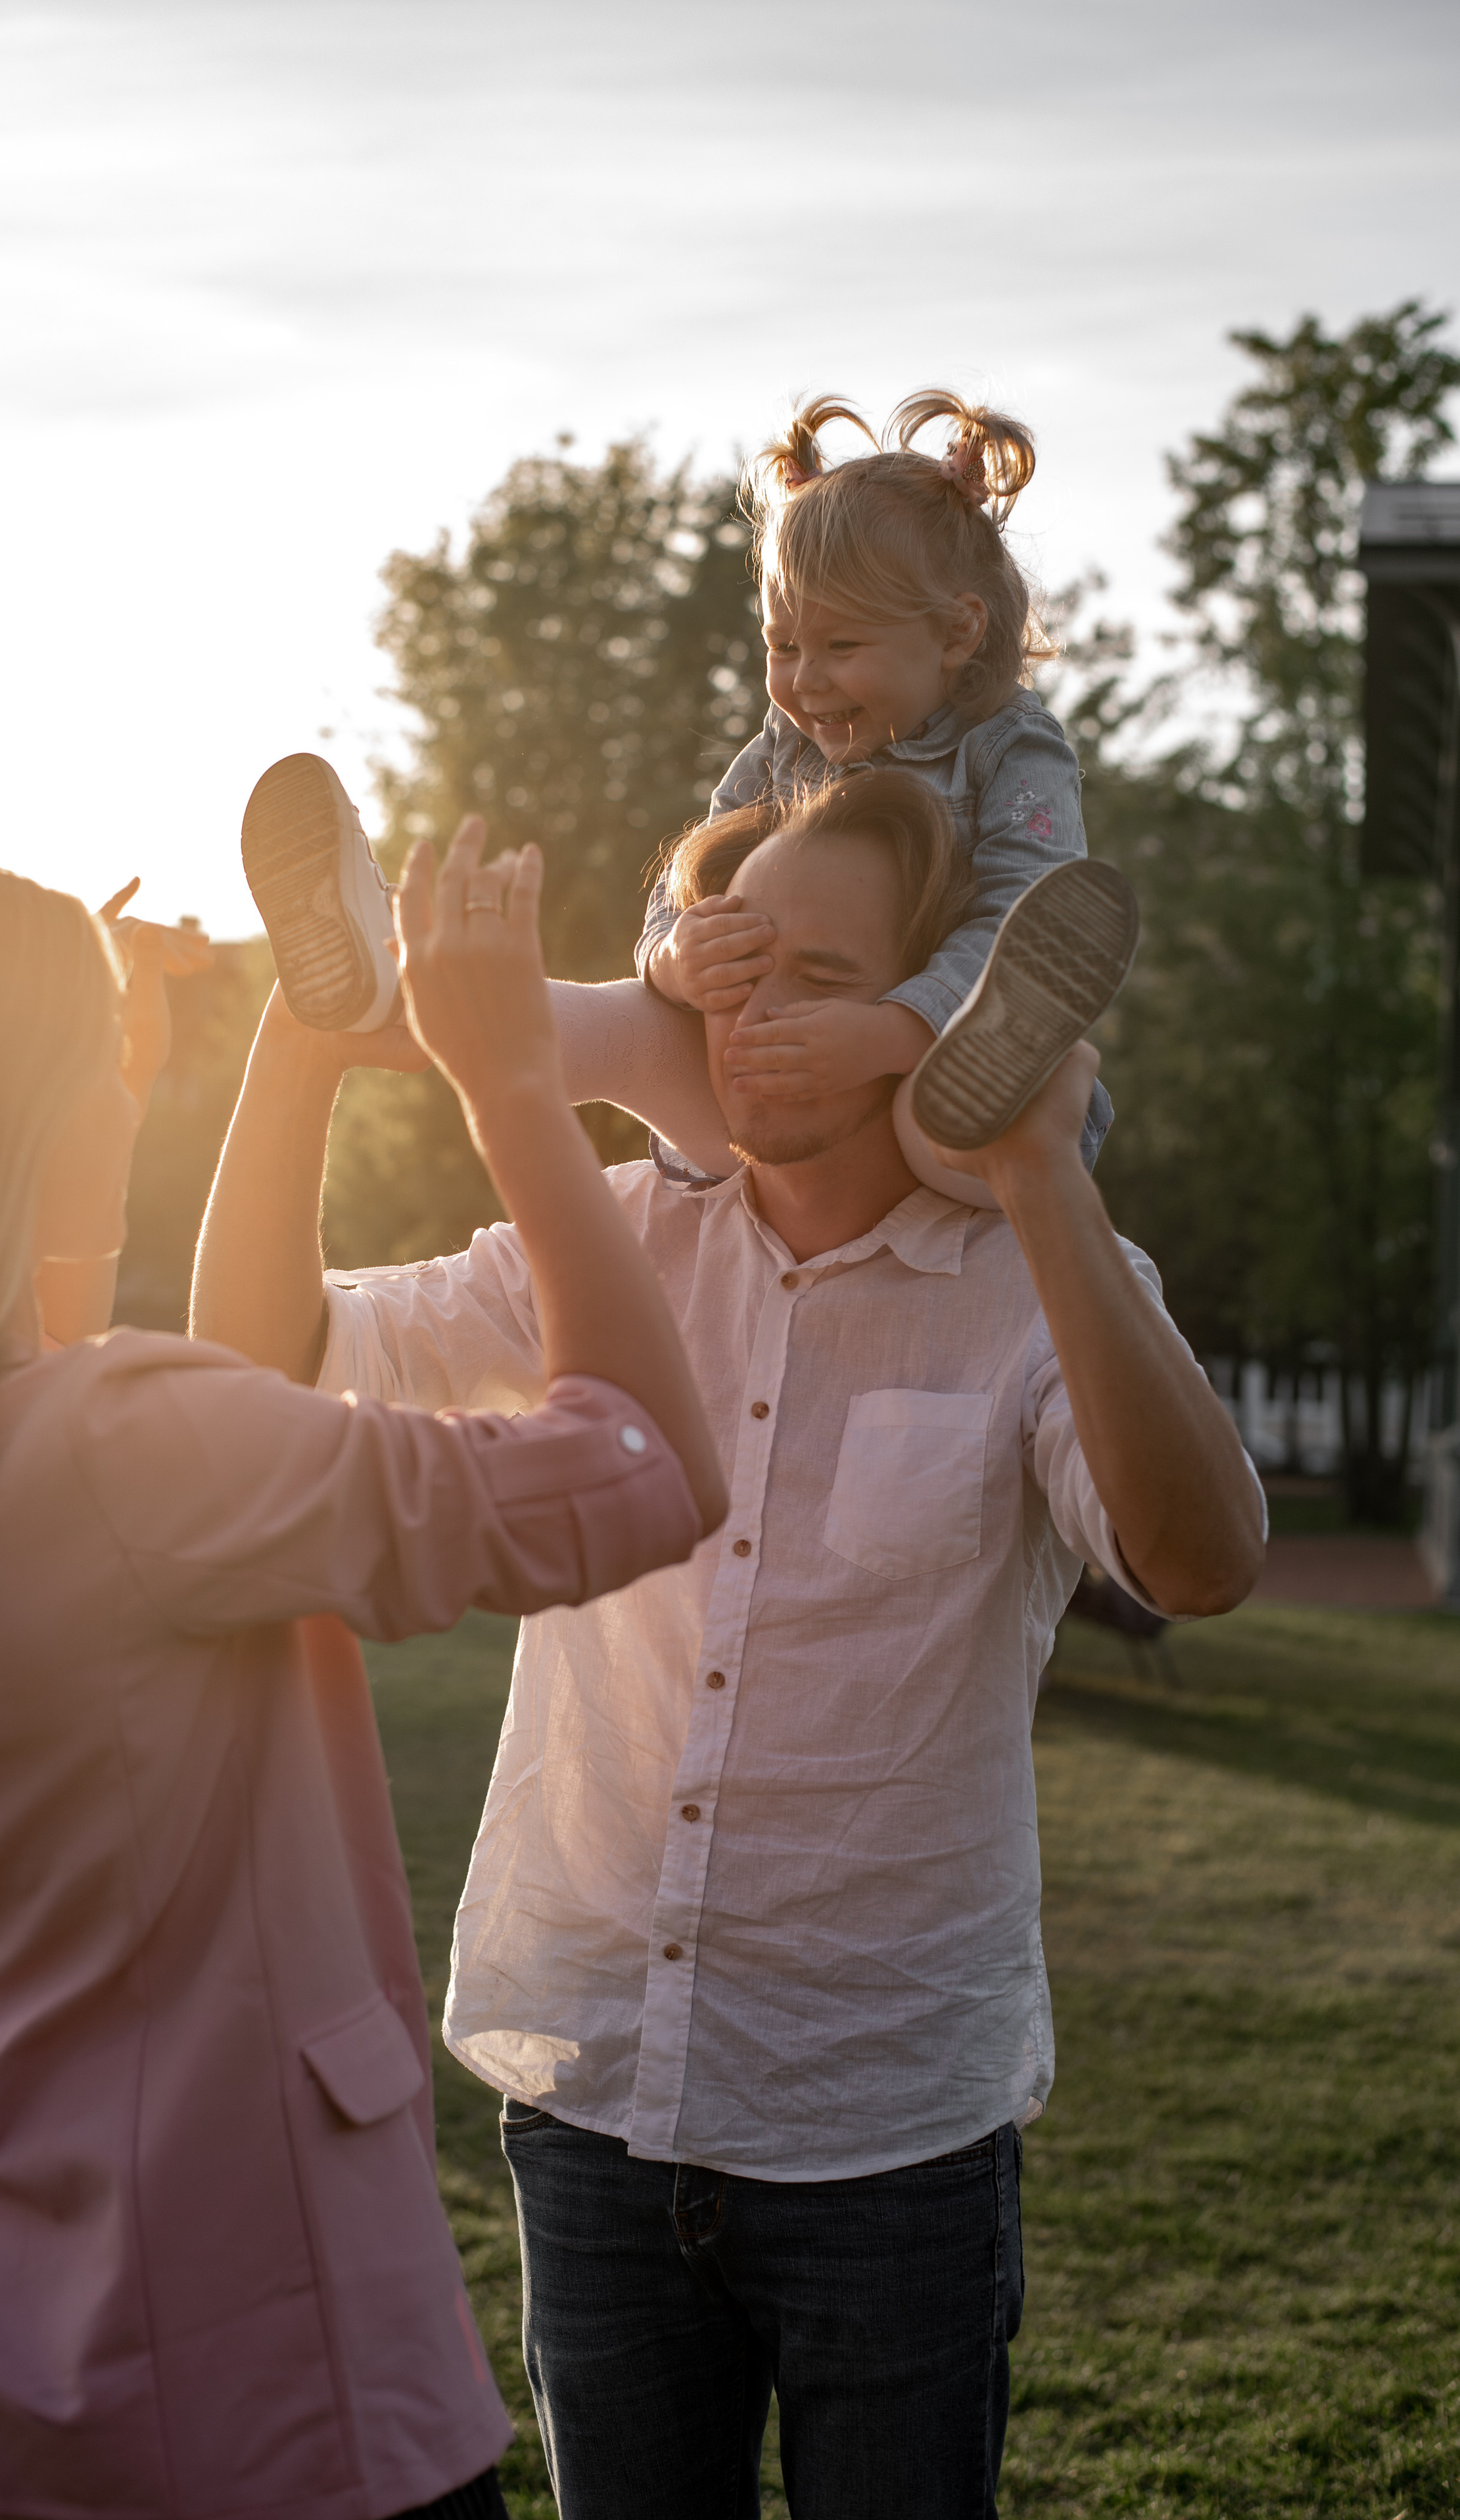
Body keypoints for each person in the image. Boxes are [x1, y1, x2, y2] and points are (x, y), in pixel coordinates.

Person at [196, 766, 1265, 2520]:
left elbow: (1199, 1560)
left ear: (944, 1012)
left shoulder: (1031, 1278)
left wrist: (1046, 1176)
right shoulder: (611, 1235)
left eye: (824, 978)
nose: (763, 1019)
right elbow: (260, 1361)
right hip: (595, 2095)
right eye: (738, 974)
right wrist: (303, 1046)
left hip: (889, 2136)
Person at [0, 824, 724, 2520]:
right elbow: (653, 1461)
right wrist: (514, 1085)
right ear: (17, 1127)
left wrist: (179, 1067)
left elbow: (47, 1392)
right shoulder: (127, 1455)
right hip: (261, 2386)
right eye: (90, 1072)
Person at [239, 390, 1129, 1202]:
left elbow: (1028, 923)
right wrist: (676, 957)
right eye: (783, 648)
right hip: (768, 1103)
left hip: (938, 1116)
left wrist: (892, 1033)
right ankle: (391, 982)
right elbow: (680, 891)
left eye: (842, 645)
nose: (806, 682)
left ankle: (978, 1104)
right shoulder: (785, 750)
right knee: (620, 1022)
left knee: (938, 1122)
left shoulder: (1010, 749)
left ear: (957, 631)